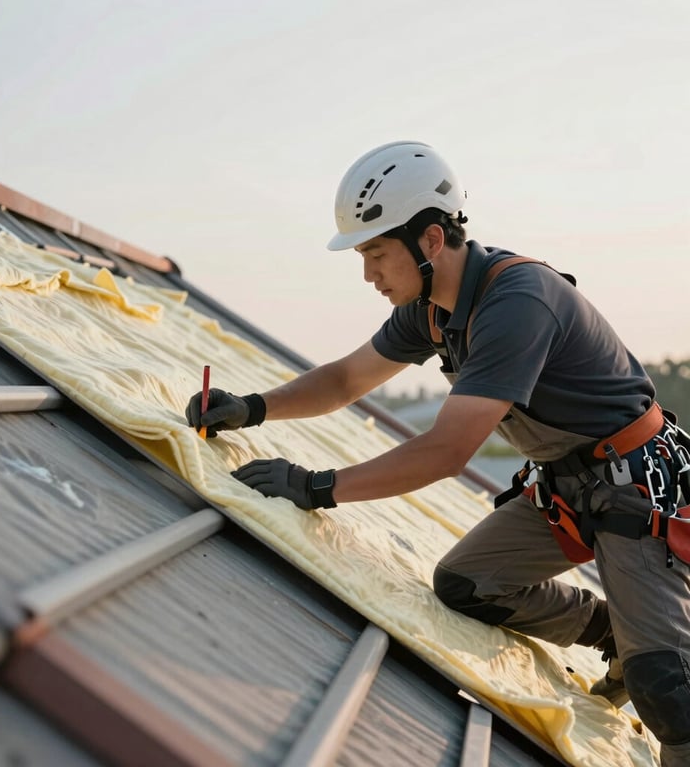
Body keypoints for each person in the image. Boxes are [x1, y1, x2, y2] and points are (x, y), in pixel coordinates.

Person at [186, 141, 690, 766]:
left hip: (634, 489)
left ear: (429, 241)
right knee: (465, 584)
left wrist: (316, 486)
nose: (369, 274)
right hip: (566, 487)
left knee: (669, 696)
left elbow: (448, 450)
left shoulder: (516, 302)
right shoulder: (431, 311)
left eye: (375, 254)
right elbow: (347, 379)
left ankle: (651, 651)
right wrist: (253, 408)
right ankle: (612, 631)